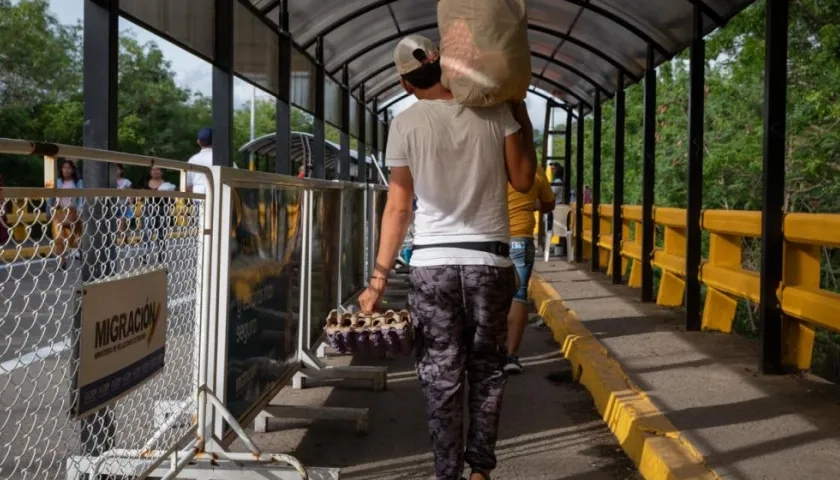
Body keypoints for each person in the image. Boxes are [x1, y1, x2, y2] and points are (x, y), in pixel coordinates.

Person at [357, 35, 536, 480]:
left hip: (432, 266)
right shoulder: (494, 111)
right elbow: (524, 179)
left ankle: (447, 473)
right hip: (490, 264)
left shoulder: (406, 124)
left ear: (404, 83)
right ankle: (480, 471)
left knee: (441, 375)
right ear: (445, 67)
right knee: (487, 371)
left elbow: (399, 208)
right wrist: (522, 114)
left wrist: (378, 280)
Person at [503, 169, 556, 374]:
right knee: (519, 293)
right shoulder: (532, 168)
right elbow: (549, 204)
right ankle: (510, 356)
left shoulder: (488, 159)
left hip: (491, 237)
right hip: (520, 239)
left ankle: (487, 351)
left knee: (487, 293)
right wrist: (531, 202)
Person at [51, 160, 84, 270]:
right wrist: (50, 209)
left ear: (73, 170)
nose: (66, 170)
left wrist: (80, 209)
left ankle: (78, 250)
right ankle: (62, 261)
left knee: (74, 238)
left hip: (73, 211)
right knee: (58, 238)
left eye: (69, 168)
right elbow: (51, 198)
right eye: (64, 167)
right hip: (60, 211)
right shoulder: (58, 182)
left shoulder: (78, 183)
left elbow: (81, 198)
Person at [144, 166, 176, 263]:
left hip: (163, 208)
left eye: (158, 169)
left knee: (161, 233)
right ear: (150, 172)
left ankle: (161, 254)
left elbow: (173, 200)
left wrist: (168, 195)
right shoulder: (146, 182)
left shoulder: (167, 184)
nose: (155, 171)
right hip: (148, 208)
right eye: (153, 169)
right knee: (147, 232)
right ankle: (145, 254)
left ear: (162, 172)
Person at [186, 127, 213, 194]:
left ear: (198, 142)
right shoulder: (223, 158)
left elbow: (187, 185)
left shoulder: (192, 159)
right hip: (220, 197)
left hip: (198, 196)